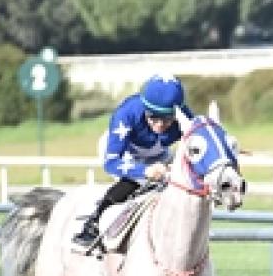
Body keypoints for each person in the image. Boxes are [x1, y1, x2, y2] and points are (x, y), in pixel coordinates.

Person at [72, 74, 193, 250]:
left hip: (159, 154)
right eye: (153, 117)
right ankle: (92, 226)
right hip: (124, 153)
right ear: (145, 109)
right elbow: (111, 162)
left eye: (167, 119)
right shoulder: (126, 114)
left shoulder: (185, 117)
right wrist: (144, 171)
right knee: (131, 185)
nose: (160, 125)